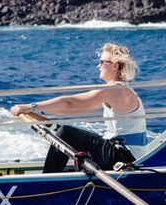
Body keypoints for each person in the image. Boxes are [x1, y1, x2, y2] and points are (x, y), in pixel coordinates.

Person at [10, 43, 147, 173]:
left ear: (115, 66)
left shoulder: (114, 90)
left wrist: (32, 107)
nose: (97, 66)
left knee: (66, 133)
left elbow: (71, 104)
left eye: (102, 62)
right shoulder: (120, 90)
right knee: (68, 137)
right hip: (122, 153)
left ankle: (47, 181)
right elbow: (71, 108)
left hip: (124, 157)